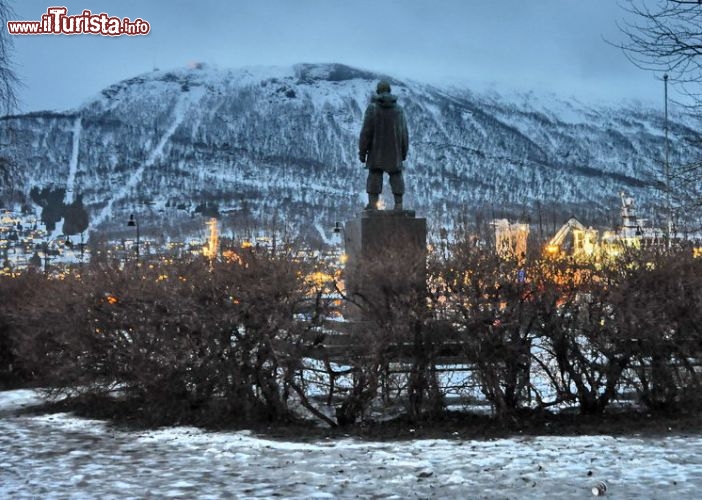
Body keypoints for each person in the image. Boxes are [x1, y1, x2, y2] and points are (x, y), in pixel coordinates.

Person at [358, 80, 409, 211]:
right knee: (396, 175)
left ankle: (373, 204)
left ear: (378, 91)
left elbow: (366, 132)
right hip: (395, 152)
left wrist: (362, 152)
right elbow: (404, 133)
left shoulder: (372, 108)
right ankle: (398, 204)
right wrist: (403, 153)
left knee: (375, 174)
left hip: (376, 151)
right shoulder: (399, 110)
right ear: (389, 91)